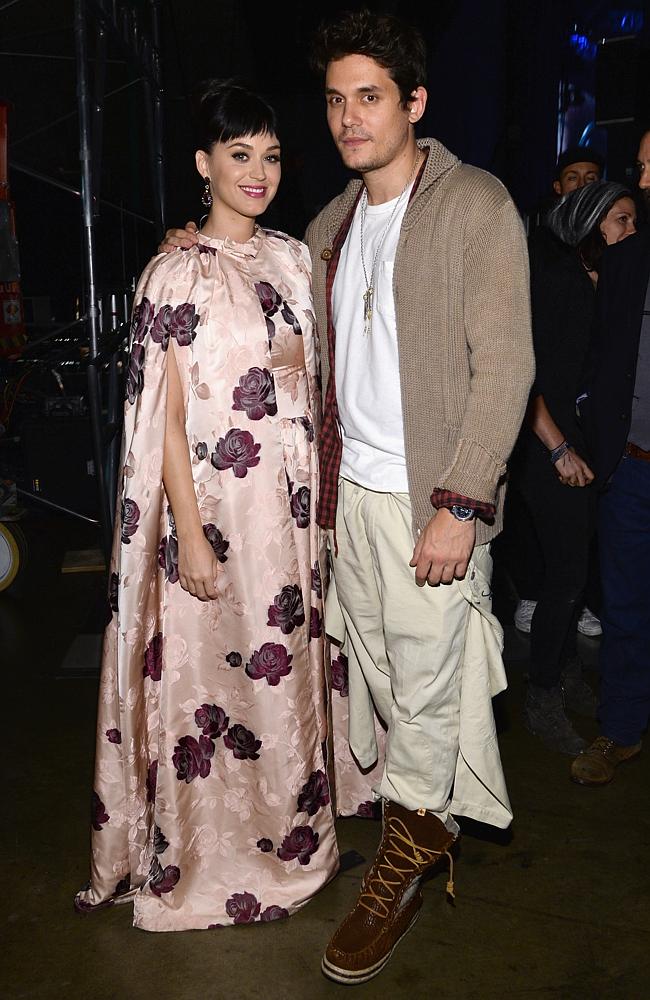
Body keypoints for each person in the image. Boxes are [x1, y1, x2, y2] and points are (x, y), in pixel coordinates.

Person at [161, 11, 534, 983]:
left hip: (427, 504)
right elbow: (260, 301)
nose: (346, 117)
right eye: (332, 99)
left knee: (421, 687)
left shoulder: (473, 205)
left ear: (412, 103)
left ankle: (401, 870)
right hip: (345, 505)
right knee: (376, 680)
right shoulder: (326, 228)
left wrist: (459, 502)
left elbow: (504, 365)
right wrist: (199, 244)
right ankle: (418, 826)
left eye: (368, 96)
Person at [74, 80, 339, 931]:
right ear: (203, 163)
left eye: (269, 157)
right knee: (211, 694)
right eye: (239, 155)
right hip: (215, 518)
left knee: (284, 686)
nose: (258, 173)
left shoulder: (296, 259)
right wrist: (189, 533)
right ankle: (208, 856)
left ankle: (293, 845)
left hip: (289, 525)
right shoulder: (169, 274)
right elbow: (166, 418)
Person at [511, 181, 636, 756]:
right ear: (589, 223)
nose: (628, 230)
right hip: (544, 445)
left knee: (574, 572)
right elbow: (522, 376)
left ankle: (561, 674)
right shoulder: (555, 279)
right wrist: (559, 449)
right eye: (618, 219)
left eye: (633, 220)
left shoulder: (601, 281)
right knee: (563, 578)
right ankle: (541, 696)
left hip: (575, 441)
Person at [571, 127, 650, 786]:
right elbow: (595, 357)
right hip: (632, 468)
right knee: (625, 606)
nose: (643, 183)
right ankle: (622, 729)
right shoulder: (626, 262)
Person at [511, 143, 606, 639]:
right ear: (558, 186)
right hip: (542, 422)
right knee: (540, 524)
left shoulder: (608, 252)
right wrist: (556, 445)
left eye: (593, 176)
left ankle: (573, 598)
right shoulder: (541, 254)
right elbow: (522, 361)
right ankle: (538, 599)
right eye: (574, 176)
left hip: (588, 421)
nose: (584, 183)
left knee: (581, 534)